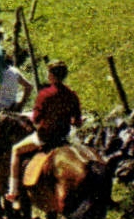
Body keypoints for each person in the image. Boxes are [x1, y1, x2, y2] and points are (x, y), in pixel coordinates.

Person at [5, 59, 82, 207]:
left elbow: (36, 119)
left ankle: (13, 190)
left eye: (48, 73)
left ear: (52, 75)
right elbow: (77, 121)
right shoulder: (72, 95)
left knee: (16, 150)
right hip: (62, 138)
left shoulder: (45, 94)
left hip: (44, 138)